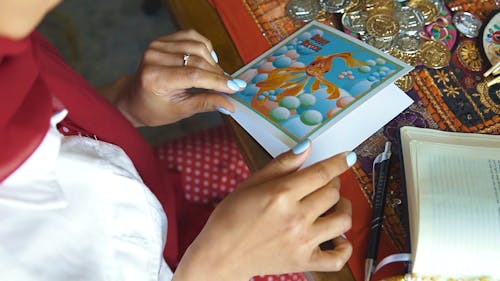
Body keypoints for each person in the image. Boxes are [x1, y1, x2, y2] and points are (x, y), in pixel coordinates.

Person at [0, 0, 356, 280]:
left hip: (151, 184)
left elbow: (45, 122)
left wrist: (123, 105)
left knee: (273, 146)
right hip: (198, 262)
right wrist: (217, 268)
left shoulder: (12, 23)